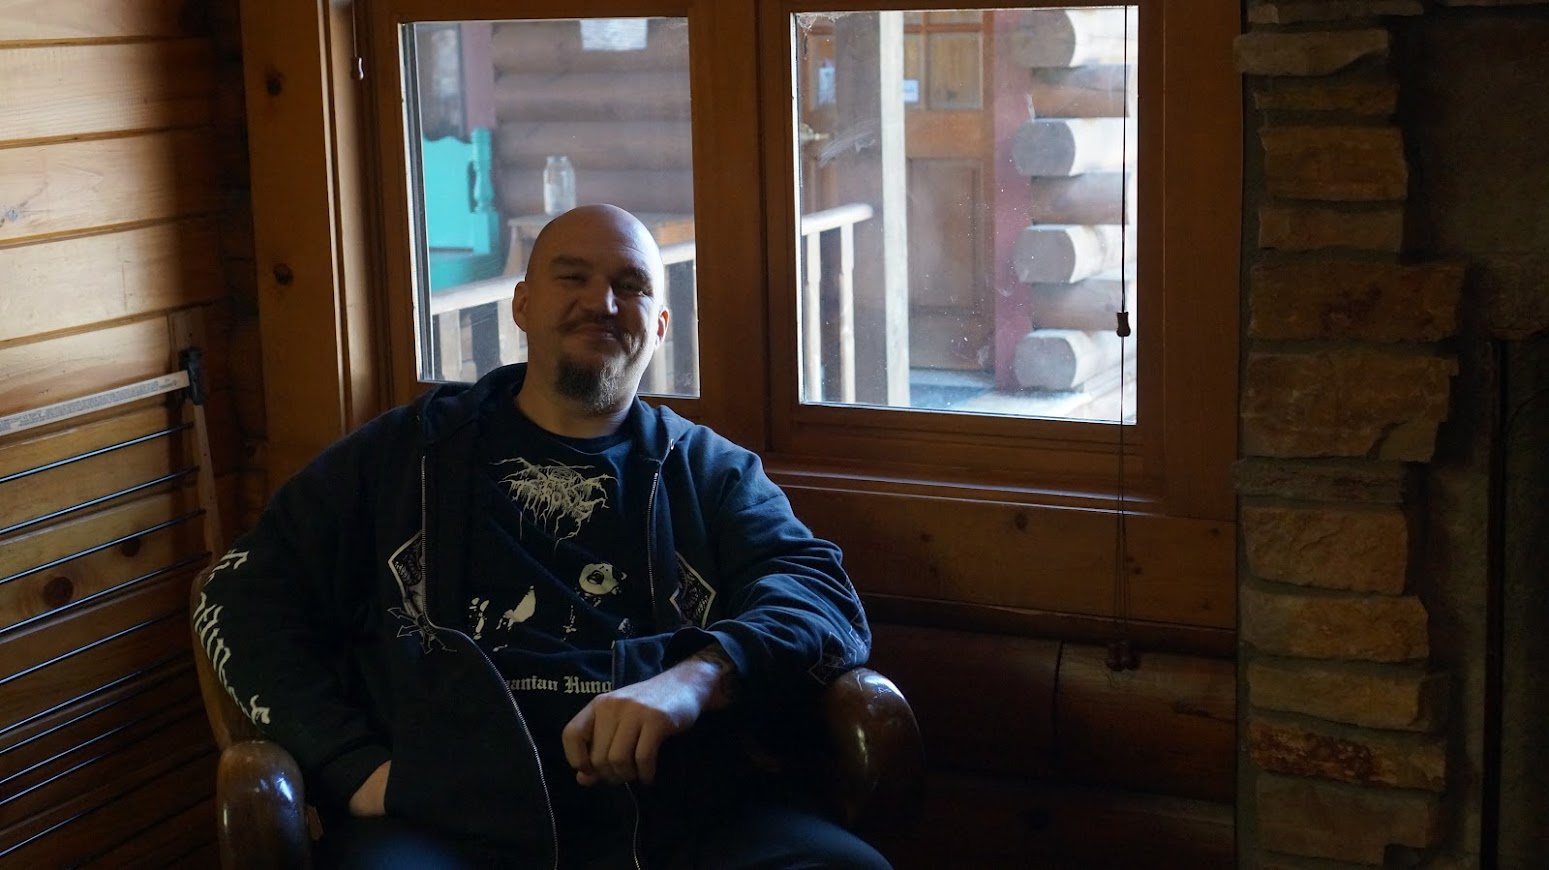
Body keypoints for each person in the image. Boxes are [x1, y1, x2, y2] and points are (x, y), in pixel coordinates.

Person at [195, 204, 890, 868]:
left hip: (683, 816)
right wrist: (350, 765)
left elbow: (823, 599)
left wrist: (696, 677)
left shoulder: (710, 471)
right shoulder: (404, 456)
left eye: (630, 286)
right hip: (446, 826)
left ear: (660, 325)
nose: (602, 302)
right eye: (572, 276)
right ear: (522, 305)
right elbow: (237, 595)